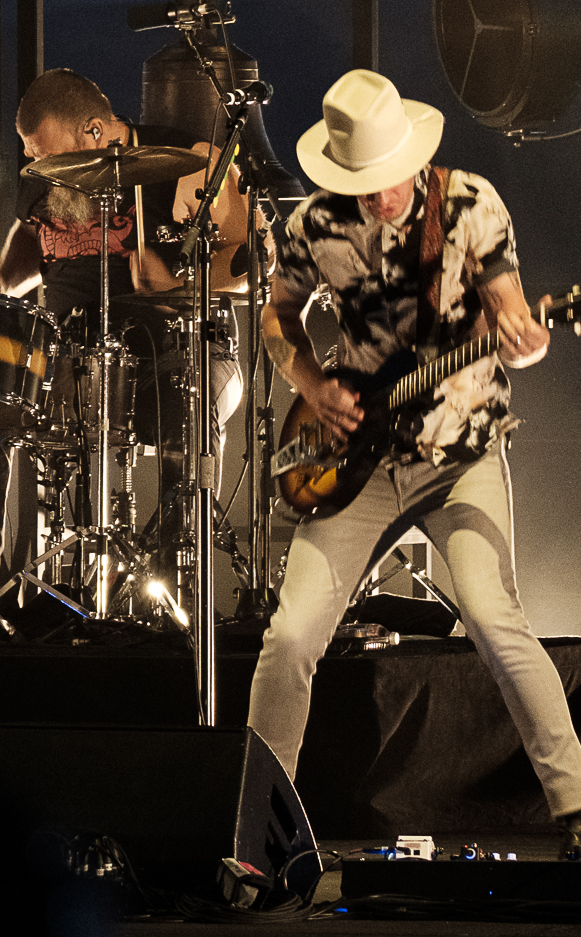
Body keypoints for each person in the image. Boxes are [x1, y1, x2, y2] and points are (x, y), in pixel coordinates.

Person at [247, 70, 581, 840]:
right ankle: (259, 831)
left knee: (495, 617)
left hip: (460, 452)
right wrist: (310, 380)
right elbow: (275, 314)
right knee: (292, 634)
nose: (379, 196)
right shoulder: (313, 223)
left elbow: (509, 313)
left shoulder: (468, 203)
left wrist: (525, 341)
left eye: (388, 180)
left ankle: (576, 810)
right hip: (356, 459)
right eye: (361, 184)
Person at [0, 68, 253, 591]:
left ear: (95, 133)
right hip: (74, 364)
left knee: (183, 406)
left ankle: (174, 585)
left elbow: (252, 265)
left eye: (47, 155)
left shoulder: (185, 162)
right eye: (32, 154)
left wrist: (183, 283)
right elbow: (19, 266)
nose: (38, 166)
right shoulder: (42, 183)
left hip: (178, 355)